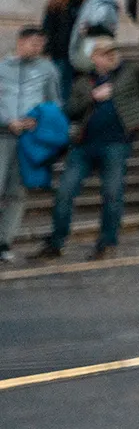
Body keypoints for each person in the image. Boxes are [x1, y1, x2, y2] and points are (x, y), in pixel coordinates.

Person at [37, 41, 139, 260]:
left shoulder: (126, 75)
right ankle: (56, 241)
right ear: (94, 58)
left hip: (116, 144)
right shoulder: (83, 81)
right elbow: (70, 109)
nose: (109, 57)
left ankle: (107, 243)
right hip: (84, 145)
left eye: (112, 53)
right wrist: (93, 97)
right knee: (64, 192)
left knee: (113, 194)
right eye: (103, 54)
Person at [0, 28, 62, 262]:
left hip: (29, 139)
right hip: (2, 135)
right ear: (20, 42)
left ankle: (4, 242)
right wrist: (7, 120)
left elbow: (54, 102)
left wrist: (39, 119)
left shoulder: (48, 70)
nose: (37, 48)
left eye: (41, 44)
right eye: (33, 43)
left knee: (18, 192)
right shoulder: (2, 68)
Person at [39, 0, 86, 100]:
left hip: (77, 52)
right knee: (58, 84)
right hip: (59, 51)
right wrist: (46, 50)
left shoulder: (84, 5)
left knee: (69, 85)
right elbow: (47, 29)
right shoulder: (56, 5)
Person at [69, 0, 119, 72]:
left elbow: (105, 23)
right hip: (87, 42)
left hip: (94, 43)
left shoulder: (102, 2)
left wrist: (88, 29)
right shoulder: (90, 1)